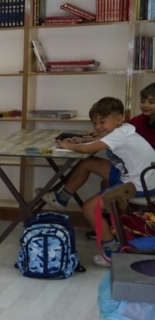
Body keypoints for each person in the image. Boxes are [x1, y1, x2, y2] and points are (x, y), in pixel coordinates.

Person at [43, 97, 155, 267]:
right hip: (142, 177)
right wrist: (83, 140)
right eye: (95, 123)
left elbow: (88, 149)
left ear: (118, 119)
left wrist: (69, 146)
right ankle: (62, 199)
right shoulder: (124, 129)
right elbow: (101, 140)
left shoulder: (119, 135)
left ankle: (111, 252)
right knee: (88, 163)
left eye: (102, 122)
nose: (98, 126)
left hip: (139, 184)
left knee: (89, 207)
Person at [127, 82, 155, 147]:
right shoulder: (141, 119)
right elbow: (126, 127)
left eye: (151, 102)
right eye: (142, 101)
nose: (145, 105)